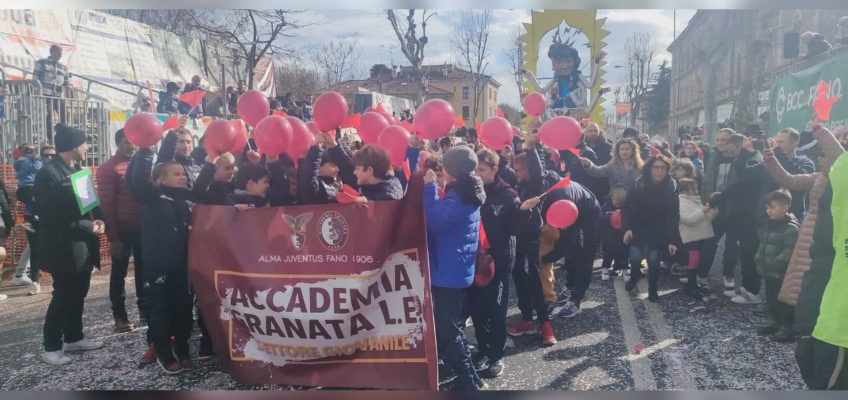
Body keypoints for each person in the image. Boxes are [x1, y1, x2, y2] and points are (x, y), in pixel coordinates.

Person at [34, 124, 106, 365]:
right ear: (74, 146)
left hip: (83, 245)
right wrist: (88, 226)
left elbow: (91, 205)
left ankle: (74, 337)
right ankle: (51, 346)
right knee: (63, 295)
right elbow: (50, 216)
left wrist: (101, 219)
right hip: (62, 246)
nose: (87, 147)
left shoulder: (78, 170)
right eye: (85, 143)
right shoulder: (49, 174)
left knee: (79, 292)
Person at [422, 146, 487, 390]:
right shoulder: (469, 191)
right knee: (454, 327)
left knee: (449, 330)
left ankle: (467, 382)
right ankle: (473, 377)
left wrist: (429, 189)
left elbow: (435, 220)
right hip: (457, 268)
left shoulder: (458, 196)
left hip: (448, 272)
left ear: (450, 171)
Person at [126, 148, 195, 375]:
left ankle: (182, 347)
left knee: (183, 308)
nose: (183, 176)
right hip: (158, 266)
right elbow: (138, 179)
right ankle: (163, 353)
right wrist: (146, 150)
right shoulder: (152, 195)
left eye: (183, 173)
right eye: (176, 174)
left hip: (182, 264)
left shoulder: (187, 197)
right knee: (160, 310)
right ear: (160, 179)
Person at [469, 149, 524, 378]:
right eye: (475, 169)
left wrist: (527, 213)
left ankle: (496, 357)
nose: (477, 174)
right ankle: (482, 349)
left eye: (482, 170)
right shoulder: (469, 190)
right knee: (476, 309)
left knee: (496, 310)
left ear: (494, 169)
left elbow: (518, 229)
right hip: (472, 261)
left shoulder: (508, 195)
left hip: (498, 263)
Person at [96, 129, 144, 333]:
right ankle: (120, 315)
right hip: (122, 231)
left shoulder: (141, 164)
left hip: (143, 229)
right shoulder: (108, 168)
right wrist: (113, 238)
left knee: (144, 272)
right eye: (126, 142)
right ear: (118, 143)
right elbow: (106, 205)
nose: (131, 145)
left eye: (133, 141)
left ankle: (145, 310)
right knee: (119, 274)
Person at [507, 148, 556, 346]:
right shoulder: (520, 186)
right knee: (519, 281)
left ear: (528, 169)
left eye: (519, 170)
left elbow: (538, 171)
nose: (516, 173)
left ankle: (545, 324)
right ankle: (527, 319)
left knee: (534, 282)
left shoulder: (536, 185)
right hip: (516, 241)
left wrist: (533, 147)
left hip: (530, 241)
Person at [708, 132, 765, 304]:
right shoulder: (746, 158)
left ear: (741, 147)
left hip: (750, 214)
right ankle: (747, 289)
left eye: (733, 152)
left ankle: (752, 292)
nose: (732, 156)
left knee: (749, 252)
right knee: (744, 251)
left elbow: (741, 183)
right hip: (740, 213)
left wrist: (720, 197)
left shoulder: (754, 159)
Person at [622, 155, 680, 301]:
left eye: (663, 168)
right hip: (638, 228)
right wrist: (628, 228)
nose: (659, 171)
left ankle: (652, 289)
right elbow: (627, 207)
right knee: (635, 259)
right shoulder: (639, 184)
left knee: (653, 262)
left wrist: (673, 239)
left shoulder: (672, 187)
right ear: (650, 169)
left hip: (658, 231)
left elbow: (673, 214)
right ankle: (634, 278)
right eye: (656, 167)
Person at [754, 190, 800, 342]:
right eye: (767, 207)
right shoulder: (770, 224)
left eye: (772, 207)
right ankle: (776, 322)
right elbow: (764, 245)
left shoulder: (790, 228)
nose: (768, 210)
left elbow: (789, 251)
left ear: (785, 207)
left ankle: (787, 329)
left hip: (781, 273)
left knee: (783, 302)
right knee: (772, 298)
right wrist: (759, 258)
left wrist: (775, 263)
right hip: (769, 271)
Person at [677, 179, 718, 298]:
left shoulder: (696, 201)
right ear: (685, 191)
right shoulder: (681, 202)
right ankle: (690, 286)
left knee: (701, 260)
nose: (697, 190)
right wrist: (703, 210)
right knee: (693, 261)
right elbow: (688, 220)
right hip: (691, 238)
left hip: (704, 236)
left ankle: (695, 284)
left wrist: (713, 209)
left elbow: (708, 218)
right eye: (694, 188)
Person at [766, 128, 817, 221]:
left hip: (793, 217)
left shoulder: (806, 162)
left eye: (781, 142)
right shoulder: (770, 161)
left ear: (795, 143)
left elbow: (798, 178)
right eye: (776, 141)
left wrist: (778, 152)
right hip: (768, 217)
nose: (776, 145)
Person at [578, 138, 644, 194]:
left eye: (627, 149)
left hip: (635, 199)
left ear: (633, 151)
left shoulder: (640, 165)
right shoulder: (612, 164)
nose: (624, 151)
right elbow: (597, 172)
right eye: (622, 149)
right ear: (618, 151)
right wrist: (588, 164)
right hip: (616, 200)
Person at [600, 187, 628, 280]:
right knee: (608, 251)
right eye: (616, 203)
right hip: (609, 234)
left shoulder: (626, 206)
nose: (617, 205)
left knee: (623, 250)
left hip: (621, 233)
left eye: (620, 204)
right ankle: (605, 268)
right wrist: (610, 215)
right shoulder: (606, 205)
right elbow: (601, 216)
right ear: (612, 197)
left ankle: (623, 267)